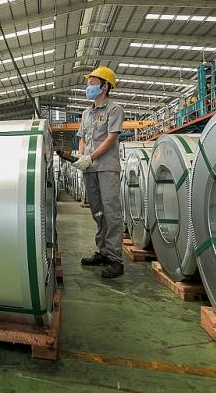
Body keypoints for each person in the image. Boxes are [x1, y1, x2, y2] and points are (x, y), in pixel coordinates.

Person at [72, 65, 125, 278]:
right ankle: (103, 251)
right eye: (88, 84)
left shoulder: (114, 109)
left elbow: (111, 138)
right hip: (90, 169)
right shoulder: (86, 113)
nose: (89, 87)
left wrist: (91, 157)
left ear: (105, 87)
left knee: (111, 212)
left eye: (92, 83)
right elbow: (82, 138)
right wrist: (81, 157)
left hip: (106, 168)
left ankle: (115, 259)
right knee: (98, 212)